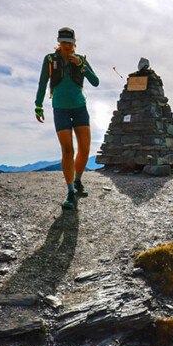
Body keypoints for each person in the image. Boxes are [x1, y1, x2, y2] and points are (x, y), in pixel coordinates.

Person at [35, 27, 100, 209]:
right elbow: (43, 82)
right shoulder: (49, 59)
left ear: (74, 43)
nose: (66, 45)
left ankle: (78, 180)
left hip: (80, 107)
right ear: (59, 42)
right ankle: (70, 191)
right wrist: (38, 105)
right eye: (63, 42)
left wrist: (81, 65)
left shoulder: (81, 60)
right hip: (60, 108)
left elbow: (95, 82)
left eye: (69, 42)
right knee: (67, 150)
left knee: (85, 149)